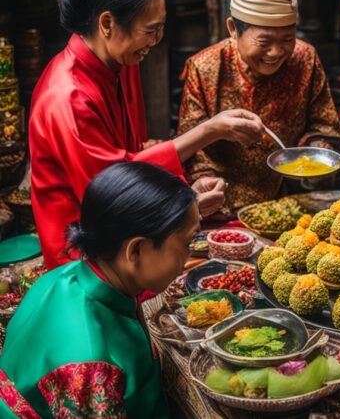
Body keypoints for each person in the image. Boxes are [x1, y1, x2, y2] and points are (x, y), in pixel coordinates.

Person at [29, 0, 267, 270]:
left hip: (126, 227)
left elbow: (131, 157)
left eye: (161, 28)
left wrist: (185, 193)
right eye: (150, 30)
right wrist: (209, 130)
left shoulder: (120, 62)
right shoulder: (66, 97)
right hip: (84, 249)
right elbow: (111, 187)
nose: (156, 41)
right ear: (107, 24)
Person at [0, 162, 199, 417]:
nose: (188, 256)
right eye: (187, 242)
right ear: (136, 250)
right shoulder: (91, 368)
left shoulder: (60, 278)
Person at [178, 0, 340, 212]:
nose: (276, 52)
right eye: (263, 40)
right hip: (222, 206)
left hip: (288, 202)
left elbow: (324, 125)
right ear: (233, 29)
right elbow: (191, 144)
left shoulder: (306, 59)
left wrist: (316, 155)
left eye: (287, 38)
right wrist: (205, 180)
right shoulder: (204, 68)